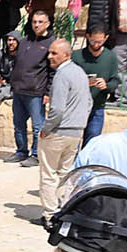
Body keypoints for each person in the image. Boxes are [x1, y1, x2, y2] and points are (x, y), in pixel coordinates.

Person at [40, 40, 91, 218]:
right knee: (65, 173)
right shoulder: (80, 73)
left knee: (49, 174)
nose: (50, 57)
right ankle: (64, 209)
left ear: (66, 55)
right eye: (50, 52)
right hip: (76, 131)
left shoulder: (62, 75)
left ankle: (50, 214)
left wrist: (46, 128)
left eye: (54, 53)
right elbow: (88, 103)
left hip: (59, 131)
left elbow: (58, 109)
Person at [7, 11, 54, 164]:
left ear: (47, 23)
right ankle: (21, 151)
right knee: (18, 124)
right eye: (34, 21)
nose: (37, 25)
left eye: (40, 22)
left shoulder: (51, 43)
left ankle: (36, 154)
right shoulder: (25, 41)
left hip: (36, 91)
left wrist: (48, 92)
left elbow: (52, 71)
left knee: (37, 125)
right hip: (19, 89)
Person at [71, 27, 121, 142]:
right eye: (93, 41)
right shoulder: (77, 56)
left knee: (92, 138)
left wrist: (106, 86)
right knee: (74, 140)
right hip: (77, 106)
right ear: (88, 37)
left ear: (106, 38)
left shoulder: (110, 57)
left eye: (100, 41)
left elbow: (115, 80)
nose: (96, 44)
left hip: (97, 106)